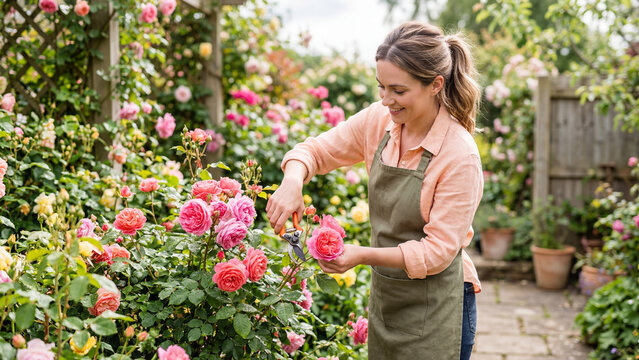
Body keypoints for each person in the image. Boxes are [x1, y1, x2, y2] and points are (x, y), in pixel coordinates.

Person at [266, 21, 483, 360]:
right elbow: (314, 151)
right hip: (389, 298)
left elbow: (436, 253)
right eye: (381, 87)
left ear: (435, 85)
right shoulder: (379, 122)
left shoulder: (459, 154)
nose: (386, 100)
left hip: (441, 305)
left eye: (398, 90)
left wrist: (361, 255)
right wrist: (293, 180)